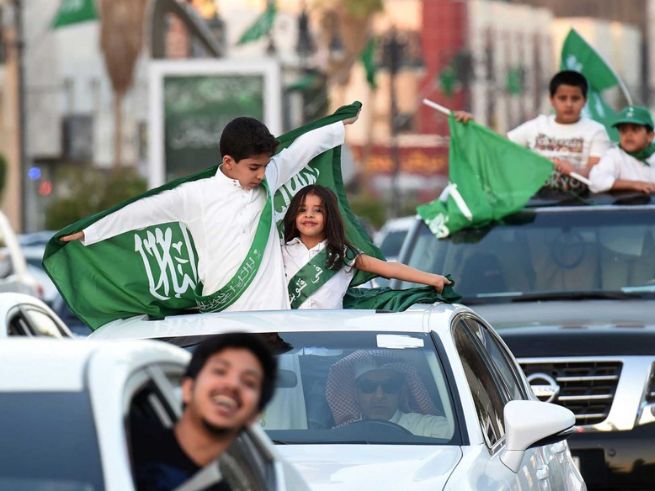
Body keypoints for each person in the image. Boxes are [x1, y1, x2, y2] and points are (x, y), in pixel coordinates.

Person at [60, 113, 358, 311]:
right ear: (228, 162)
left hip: (275, 317)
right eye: (253, 167)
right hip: (223, 316)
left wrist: (338, 126)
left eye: (265, 166)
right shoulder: (196, 195)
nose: (261, 174)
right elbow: (141, 211)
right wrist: (91, 230)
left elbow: (300, 150)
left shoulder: (269, 177)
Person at [130, 332, 277, 491]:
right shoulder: (123, 436)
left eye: (249, 382)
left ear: (254, 416)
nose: (232, 384)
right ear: (188, 388)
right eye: (220, 371)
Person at [281, 185, 450, 309]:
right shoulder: (280, 252)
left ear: (329, 216)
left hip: (330, 340)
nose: (309, 215)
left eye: (317, 210)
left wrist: (431, 279)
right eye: (302, 210)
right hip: (293, 340)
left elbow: (388, 269)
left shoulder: (342, 253)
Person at [454, 70, 611, 193]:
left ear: (584, 101)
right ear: (552, 99)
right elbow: (498, 145)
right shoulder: (537, 126)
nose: (569, 104)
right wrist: (470, 126)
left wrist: (574, 171)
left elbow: (595, 171)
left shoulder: (596, 131)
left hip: (578, 202)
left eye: (575, 98)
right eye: (562, 98)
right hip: (537, 200)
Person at [589, 106, 655, 194]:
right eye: (623, 130)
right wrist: (634, 184)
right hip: (625, 209)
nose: (628, 135)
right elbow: (595, 181)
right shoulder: (614, 155)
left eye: (635, 129)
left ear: (650, 136)